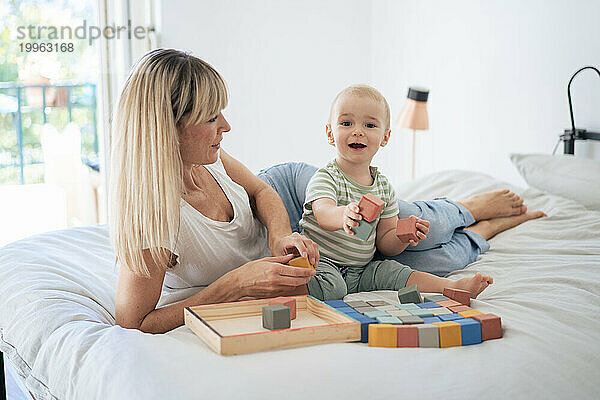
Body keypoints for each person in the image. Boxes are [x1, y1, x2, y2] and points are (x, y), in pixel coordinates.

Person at [111, 49, 319, 334]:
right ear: (167, 129)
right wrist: (235, 284)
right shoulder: (156, 221)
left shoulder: (210, 159)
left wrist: (280, 235)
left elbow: (261, 190)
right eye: (211, 118)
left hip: (287, 191)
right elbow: (133, 322)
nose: (226, 126)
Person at [298, 84, 546, 300]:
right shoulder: (326, 177)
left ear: (385, 137)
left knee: (396, 270)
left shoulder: (383, 186)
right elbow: (323, 212)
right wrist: (343, 215)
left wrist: (403, 236)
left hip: (362, 269)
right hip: (323, 262)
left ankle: (451, 287)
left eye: (370, 125)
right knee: (331, 288)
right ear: (330, 133)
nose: (358, 131)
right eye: (346, 123)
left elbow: (385, 242)